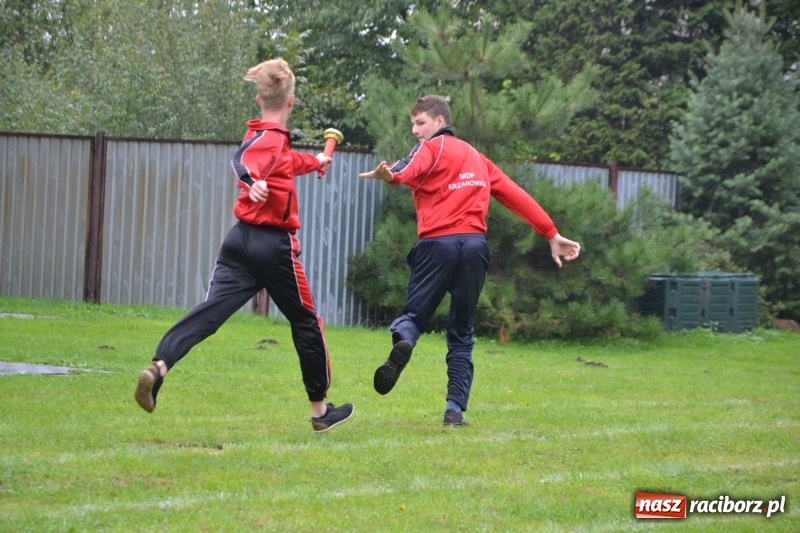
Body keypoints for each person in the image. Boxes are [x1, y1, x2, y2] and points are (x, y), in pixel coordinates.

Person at [135, 58, 354, 434]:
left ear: (259, 98)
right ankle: (320, 413)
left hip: (238, 241)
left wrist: (317, 158)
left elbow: (284, 161)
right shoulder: (269, 137)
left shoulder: (268, 137)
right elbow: (246, 160)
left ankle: (160, 366)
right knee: (306, 322)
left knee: (209, 313)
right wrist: (251, 181)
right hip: (273, 246)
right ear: (291, 100)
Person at [359, 95, 580, 427]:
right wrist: (550, 233)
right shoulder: (479, 158)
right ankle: (454, 410)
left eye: (420, 123)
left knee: (414, 316)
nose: (416, 131)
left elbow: (407, 168)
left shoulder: (431, 148)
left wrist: (390, 176)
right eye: (413, 125)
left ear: (439, 122)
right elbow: (513, 193)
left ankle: (404, 341)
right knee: (462, 330)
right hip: (475, 247)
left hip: (437, 245)